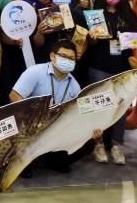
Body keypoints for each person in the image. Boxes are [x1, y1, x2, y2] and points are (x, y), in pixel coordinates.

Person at [9, 40, 100, 175]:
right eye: (63, 56)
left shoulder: (75, 86)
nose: (67, 60)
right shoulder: (35, 72)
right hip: (31, 124)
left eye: (71, 58)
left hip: (55, 128)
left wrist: (91, 128)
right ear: (52, 56)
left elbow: (78, 114)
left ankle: (51, 159)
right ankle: (25, 158)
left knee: (89, 142)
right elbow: (14, 96)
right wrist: (30, 118)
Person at [88, 0, 137, 165]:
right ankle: (98, 144)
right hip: (99, 68)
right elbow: (90, 45)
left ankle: (117, 145)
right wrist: (92, 38)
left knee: (121, 108)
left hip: (123, 69)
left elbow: (135, 42)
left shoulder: (130, 15)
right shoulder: (95, 15)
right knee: (99, 108)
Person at [0, 0, 29, 105]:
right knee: (8, 85)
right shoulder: (3, 8)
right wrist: (13, 41)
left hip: (27, 53)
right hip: (8, 53)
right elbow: (0, 33)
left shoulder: (30, 6)